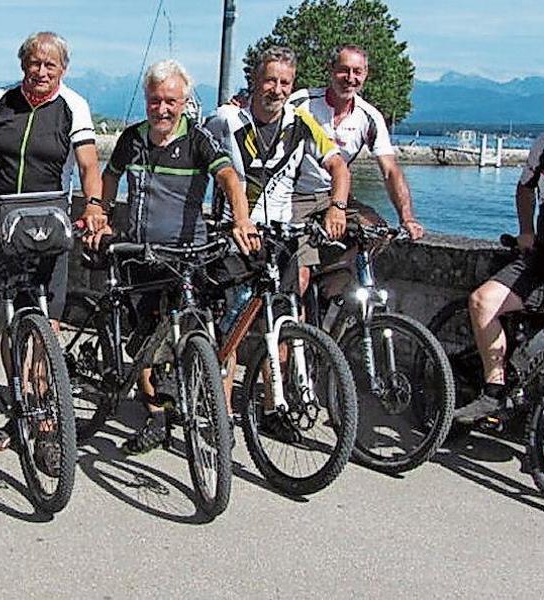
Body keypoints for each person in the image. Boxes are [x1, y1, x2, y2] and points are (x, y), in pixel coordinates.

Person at [82, 59, 247, 454]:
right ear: (146, 100)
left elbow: (228, 177)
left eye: (171, 101)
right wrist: (98, 211)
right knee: (144, 337)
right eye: (155, 101)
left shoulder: (200, 139)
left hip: (187, 254)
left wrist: (243, 221)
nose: (163, 109)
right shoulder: (132, 138)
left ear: (184, 101)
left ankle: (211, 414)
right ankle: (155, 417)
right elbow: (110, 175)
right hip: (139, 252)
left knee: (201, 330)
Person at [0, 31, 102, 453]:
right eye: (34, 63)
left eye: (49, 65)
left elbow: (90, 165)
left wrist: (93, 205)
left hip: (49, 223)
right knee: (9, 316)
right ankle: (21, 409)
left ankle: (43, 420)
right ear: (23, 65)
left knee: (46, 322)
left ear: (63, 69)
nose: (40, 71)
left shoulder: (72, 106)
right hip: (1, 222)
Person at [206, 46, 350, 441]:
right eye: (270, 80)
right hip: (234, 235)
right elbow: (195, 156)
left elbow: (337, 164)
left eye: (285, 82)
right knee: (231, 325)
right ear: (254, 80)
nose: (277, 89)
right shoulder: (227, 119)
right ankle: (221, 415)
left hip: (281, 237)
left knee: (282, 323)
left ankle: (273, 408)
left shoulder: (301, 122)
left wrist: (337, 207)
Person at [454, 74, 544, 458]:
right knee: (483, 302)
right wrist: (524, 229)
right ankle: (494, 390)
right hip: (541, 261)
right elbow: (524, 188)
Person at [286, 44, 423, 294]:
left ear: (366, 74)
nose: (351, 79)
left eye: (357, 72)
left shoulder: (368, 116)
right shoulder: (302, 102)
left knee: (379, 232)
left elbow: (390, 170)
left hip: (334, 195)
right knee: (299, 281)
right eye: (344, 71)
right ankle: (299, 318)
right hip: (295, 196)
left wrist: (407, 217)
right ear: (330, 71)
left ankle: (329, 285)